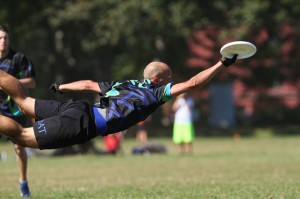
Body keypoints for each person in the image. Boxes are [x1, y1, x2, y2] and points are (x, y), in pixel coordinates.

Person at [0, 52, 238, 151]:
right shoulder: (156, 93)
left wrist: (62, 87)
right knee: (21, 135)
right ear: (157, 80)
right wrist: (222, 63)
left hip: (78, 108)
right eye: (169, 77)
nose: (172, 81)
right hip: (84, 123)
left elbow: (87, 85)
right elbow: (195, 83)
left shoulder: (124, 84)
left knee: (23, 99)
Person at [0, 25, 35, 198]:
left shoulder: (18, 58)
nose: (3, 41)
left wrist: (9, 82)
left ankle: (23, 183)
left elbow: (32, 82)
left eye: (5, 37)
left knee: (19, 148)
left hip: (14, 110)